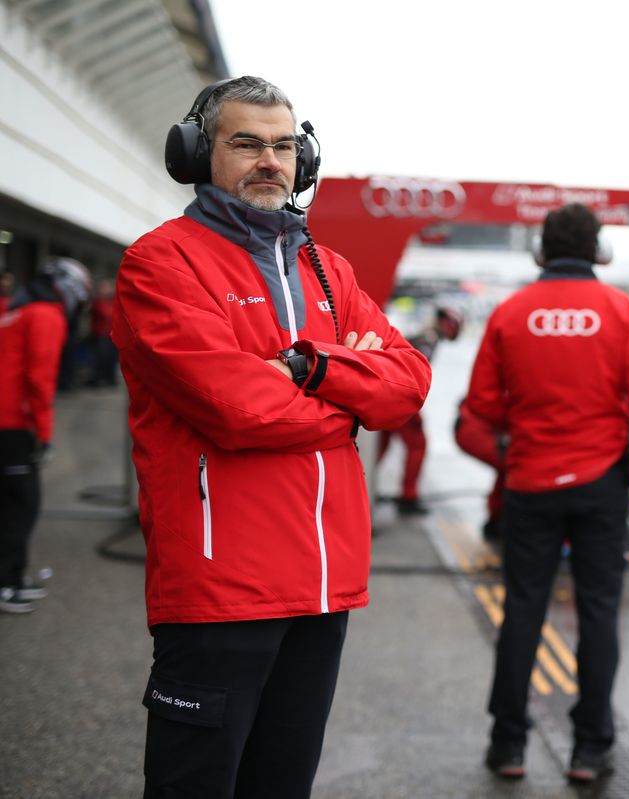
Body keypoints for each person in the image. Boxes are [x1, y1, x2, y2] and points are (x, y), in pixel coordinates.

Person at [112, 76, 431, 798]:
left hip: (324, 588)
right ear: (198, 153)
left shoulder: (330, 270)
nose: (269, 161)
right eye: (246, 143)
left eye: (284, 147)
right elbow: (239, 408)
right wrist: (351, 400)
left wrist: (308, 367)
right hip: (221, 588)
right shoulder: (161, 263)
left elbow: (409, 382)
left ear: (303, 160)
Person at [465, 203, 629, 783]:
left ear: (541, 252)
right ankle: (590, 750)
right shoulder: (621, 311)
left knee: (523, 610)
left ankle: (508, 744)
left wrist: (528, 417)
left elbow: (481, 404)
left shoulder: (510, 312)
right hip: (601, 484)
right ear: (599, 251)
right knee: (598, 613)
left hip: (530, 482)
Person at [0, 257, 91, 613]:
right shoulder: (46, 315)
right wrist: (44, 433)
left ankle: (12, 576)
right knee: (21, 505)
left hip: (7, 421)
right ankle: (7, 583)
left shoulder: (17, 310)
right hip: (14, 425)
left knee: (10, 503)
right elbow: (39, 379)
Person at [376, 305, 463, 514]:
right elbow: (410, 376)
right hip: (397, 399)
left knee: (381, 446)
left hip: (388, 398)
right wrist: (412, 411)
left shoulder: (422, 335)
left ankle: (362, 484)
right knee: (418, 445)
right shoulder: (427, 340)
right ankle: (409, 496)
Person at [453, 398, 507, 540]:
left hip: (471, 423)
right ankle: (498, 521)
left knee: (510, 469)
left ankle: (497, 520)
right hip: (475, 427)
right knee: (515, 468)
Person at [86, 278, 119, 387]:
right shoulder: (98, 302)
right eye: (103, 287)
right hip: (101, 334)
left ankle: (109, 378)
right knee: (100, 358)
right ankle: (98, 378)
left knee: (110, 358)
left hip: (110, 334)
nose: (106, 290)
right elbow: (107, 314)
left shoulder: (111, 301)